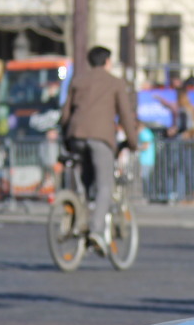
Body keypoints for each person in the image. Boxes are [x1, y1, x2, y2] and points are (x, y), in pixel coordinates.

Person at [59, 45, 138, 238]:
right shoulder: (115, 83)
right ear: (107, 62)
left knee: (85, 179)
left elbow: (65, 113)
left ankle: (77, 218)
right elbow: (126, 116)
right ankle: (96, 230)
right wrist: (133, 142)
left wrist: (66, 138)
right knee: (105, 185)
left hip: (76, 135)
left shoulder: (78, 81)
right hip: (100, 138)